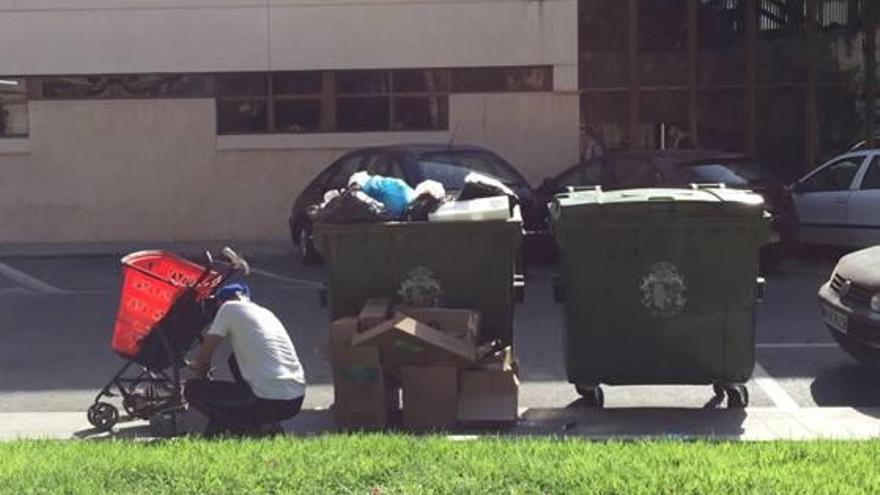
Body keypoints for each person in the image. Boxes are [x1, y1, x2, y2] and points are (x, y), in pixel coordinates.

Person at [184, 283, 306, 437]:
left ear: (220, 302)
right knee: (234, 360)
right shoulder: (266, 313)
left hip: (267, 400)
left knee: (193, 390)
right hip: (294, 401)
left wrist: (199, 374)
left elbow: (203, 359)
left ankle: (237, 428)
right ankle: (265, 423)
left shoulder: (228, 307)